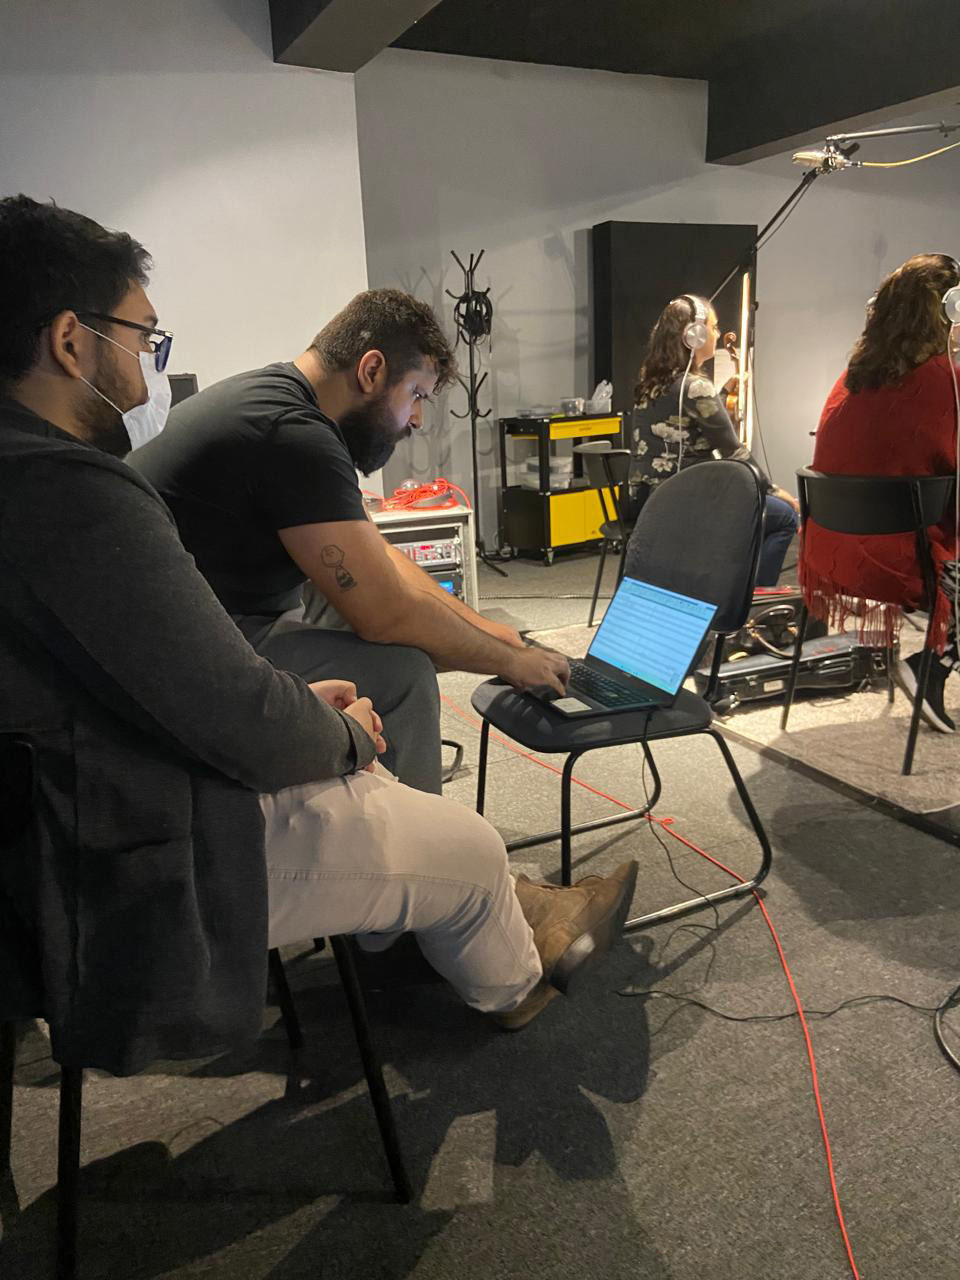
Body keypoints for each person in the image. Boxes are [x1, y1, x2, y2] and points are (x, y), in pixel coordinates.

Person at [0, 195, 638, 1073]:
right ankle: (423, 943)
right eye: (144, 339)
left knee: (390, 657)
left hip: (114, 749)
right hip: (114, 826)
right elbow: (351, 635)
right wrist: (341, 727)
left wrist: (496, 637)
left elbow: (383, 574)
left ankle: (452, 896)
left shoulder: (259, 410)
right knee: (406, 685)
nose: (149, 370)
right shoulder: (95, 484)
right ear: (72, 342)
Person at [130, 291, 569, 796]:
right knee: (401, 673)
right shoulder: (293, 434)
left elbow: (376, 560)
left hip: (202, 624)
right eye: (418, 395)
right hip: (187, 658)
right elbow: (387, 613)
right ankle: (432, 865)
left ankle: (375, 814)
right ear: (372, 370)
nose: (418, 420)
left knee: (369, 609)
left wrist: (487, 629)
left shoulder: (281, 403)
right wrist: (511, 662)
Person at [802, 253, 960, 733]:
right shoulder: (943, 381)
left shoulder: (851, 378)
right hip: (899, 559)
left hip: (830, 552)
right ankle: (931, 666)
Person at [630, 295, 799, 586]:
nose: (718, 333)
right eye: (714, 326)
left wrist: (721, 395)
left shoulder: (650, 383)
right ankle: (750, 603)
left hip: (651, 503)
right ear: (693, 335)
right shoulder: (695, 387)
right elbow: (732, 450)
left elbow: (685, 425)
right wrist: (773, 490)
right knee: (784, 517)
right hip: (689, 504)